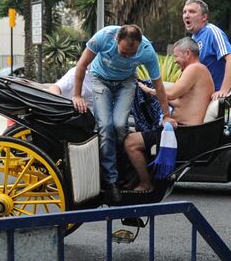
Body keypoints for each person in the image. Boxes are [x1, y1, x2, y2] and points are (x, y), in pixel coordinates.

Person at [71, 24, 168, 202]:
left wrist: (166, 114)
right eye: (124, 53)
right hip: (100, 79)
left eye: (132, 54)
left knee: (119, 125)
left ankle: (126, 168)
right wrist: (77, 94)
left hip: (126, 82)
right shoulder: (103, 37)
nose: (128, 56)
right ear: (116, 39)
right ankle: (111, 180)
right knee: (106, 126)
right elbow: (82, 64)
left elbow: (159, 85)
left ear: (139, 44)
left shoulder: (146, 50)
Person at [122, 37, 215, 192]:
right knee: (133, 133)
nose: (174, 61)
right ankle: (137, 179)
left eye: (176, 56)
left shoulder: (195, 69)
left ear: (187, 53)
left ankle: (146, 184)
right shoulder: (199, 71)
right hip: (183, 129)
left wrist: (147, 89)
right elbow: (179, 102)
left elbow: (170, 94)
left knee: (130, 142)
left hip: (184, 132)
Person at [182, 0, 231, 99]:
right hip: (198, 97)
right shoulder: (193, 39)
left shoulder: (212, 32)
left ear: (204, 17)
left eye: (192, 12)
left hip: (213, 98)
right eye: (184, 12)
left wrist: (223, 91)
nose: (186, 15)